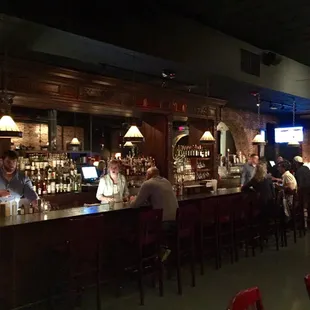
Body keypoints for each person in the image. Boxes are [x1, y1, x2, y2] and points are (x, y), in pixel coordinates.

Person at [293, 156, 310, 227]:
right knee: (307, 205)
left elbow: (300, 183)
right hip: (309, 188)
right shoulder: (307, 168)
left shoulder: (299, 171)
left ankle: (304, 223)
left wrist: (297, 192)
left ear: (296, 163)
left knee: (303, 206)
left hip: (304, 190)